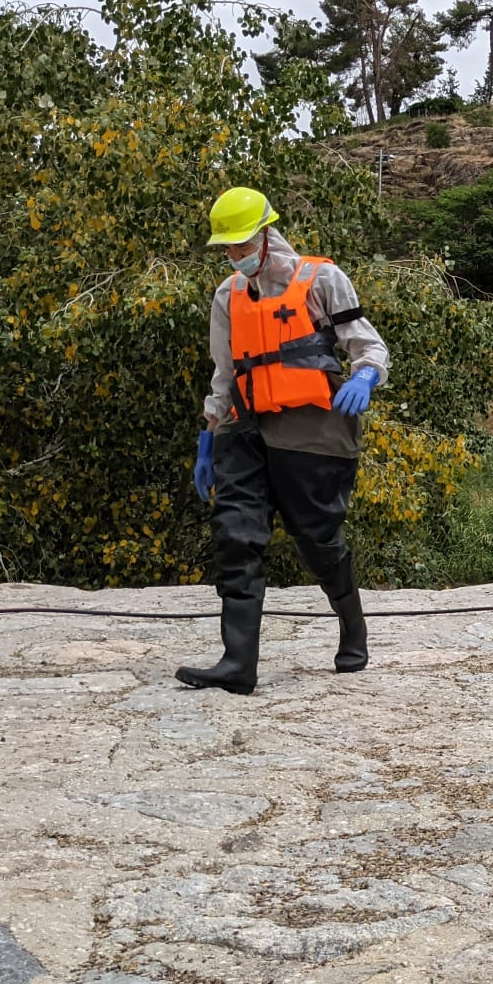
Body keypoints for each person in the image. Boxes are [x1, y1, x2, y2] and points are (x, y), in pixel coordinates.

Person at [177, 187, 389, 694]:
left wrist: (364, 377)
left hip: (311, 429)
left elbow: (368, 343)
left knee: (315, 536)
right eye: (227, 248)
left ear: (267, 234)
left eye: (241, 243)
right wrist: (209, 439)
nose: (234, 255)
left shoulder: (321, 280)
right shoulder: (228, 295)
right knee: (236, 533)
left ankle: (352, 626)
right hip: (245, 427)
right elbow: (224, 374)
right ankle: (238, 664)